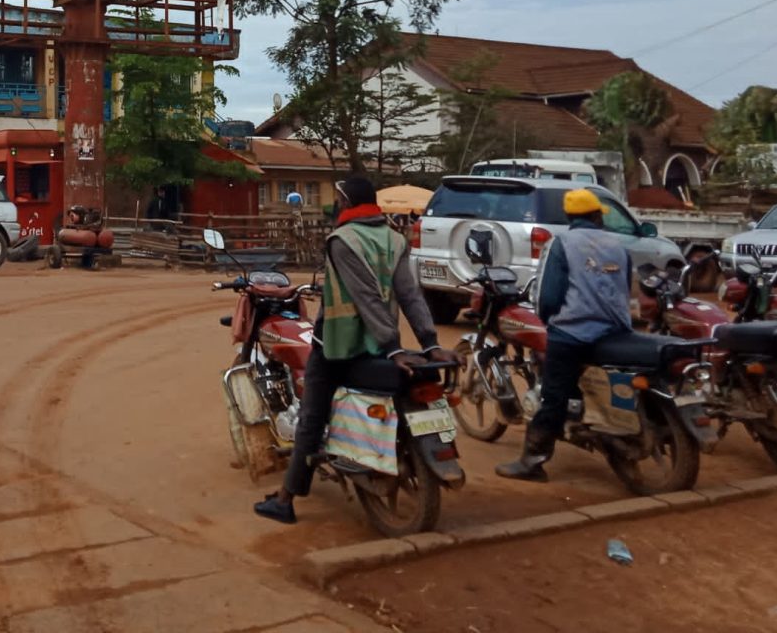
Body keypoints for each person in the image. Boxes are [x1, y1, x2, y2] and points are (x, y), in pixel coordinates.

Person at [254, 175, 455, 524]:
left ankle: (286, 500)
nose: (336, 205)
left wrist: (393, 348)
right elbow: (409, 294)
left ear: (346, 202)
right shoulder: (394, 238)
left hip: (338, 347)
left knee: (311, 418)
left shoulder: (342, 240)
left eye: (338, 200)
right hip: (379, 347)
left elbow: (365, 296)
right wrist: (430, 343)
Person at [496, 188, 635, 481]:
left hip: (575, 334)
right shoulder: (618, 244)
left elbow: (548, 296)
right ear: (596, 216)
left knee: (553, 396)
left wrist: (551, 321)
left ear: (571, 217)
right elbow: (625, 285)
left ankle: (532, 462)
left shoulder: (561, 244)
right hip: (617, 331)